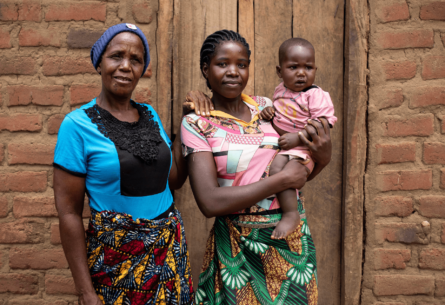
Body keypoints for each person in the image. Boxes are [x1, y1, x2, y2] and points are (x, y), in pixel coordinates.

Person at [53, 23, 211, 305]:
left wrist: (189, 122)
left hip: (168, 259)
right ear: (100, 62)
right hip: (116, 265)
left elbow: (173, 179)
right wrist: (85, 292)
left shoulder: (148, 114)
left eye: (135, 60)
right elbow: (68, 214)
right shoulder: (76, 126)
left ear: (142, 68)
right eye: (116, 56)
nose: (125, 66)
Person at [181, 30, 332, 305]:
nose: (233, 72)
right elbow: (209, 203)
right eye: (222, 64)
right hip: (237, 248)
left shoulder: (267, 107)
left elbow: (299, 169)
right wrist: (280, 180)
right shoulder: (196, 123)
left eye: (241, 65)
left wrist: (324, 156)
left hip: (290, 243)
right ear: (206, 68)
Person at [258, 38, 337, 239]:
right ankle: (282, 209)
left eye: (308, 68)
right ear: (279, 71)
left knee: (289, 173)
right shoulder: (280, 90)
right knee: (275, 169)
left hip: (305, 148)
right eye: (293, 67)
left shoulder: (315, 95)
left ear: (315, 70)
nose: (301, 73)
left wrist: (299, 138)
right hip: (285, 148)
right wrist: (269, 112)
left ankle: (291, 214)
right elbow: (280, 112)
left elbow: (323, 124)